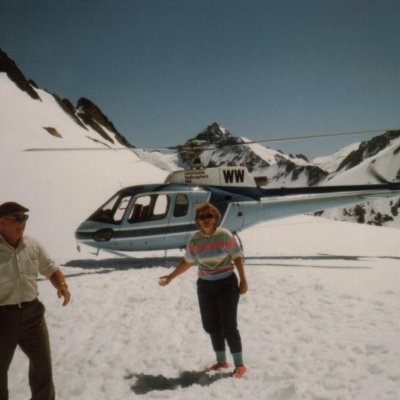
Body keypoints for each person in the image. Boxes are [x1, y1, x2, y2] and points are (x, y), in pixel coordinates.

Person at [159, 202, 248, 378]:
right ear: (197, 221)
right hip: (205, 286)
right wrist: (170, 277)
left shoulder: (224, 235)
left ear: (215, 218)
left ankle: (240, 365)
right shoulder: (195, 240)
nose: (206, 220)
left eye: (209, 216)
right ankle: (221, 361)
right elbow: (187, 262)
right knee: (211, 326)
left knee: (229, 326)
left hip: (227, 285)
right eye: (202, 217)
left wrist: (243, 280)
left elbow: (237, 257)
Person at [0, 201, 71, 400]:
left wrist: (61, 285)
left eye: (25, 218)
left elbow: (50, 267)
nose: (22, 223)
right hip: (3, 318)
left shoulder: (32, 245)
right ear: (1, 223)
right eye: (17, 218)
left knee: (43, 368)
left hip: (33, 315)